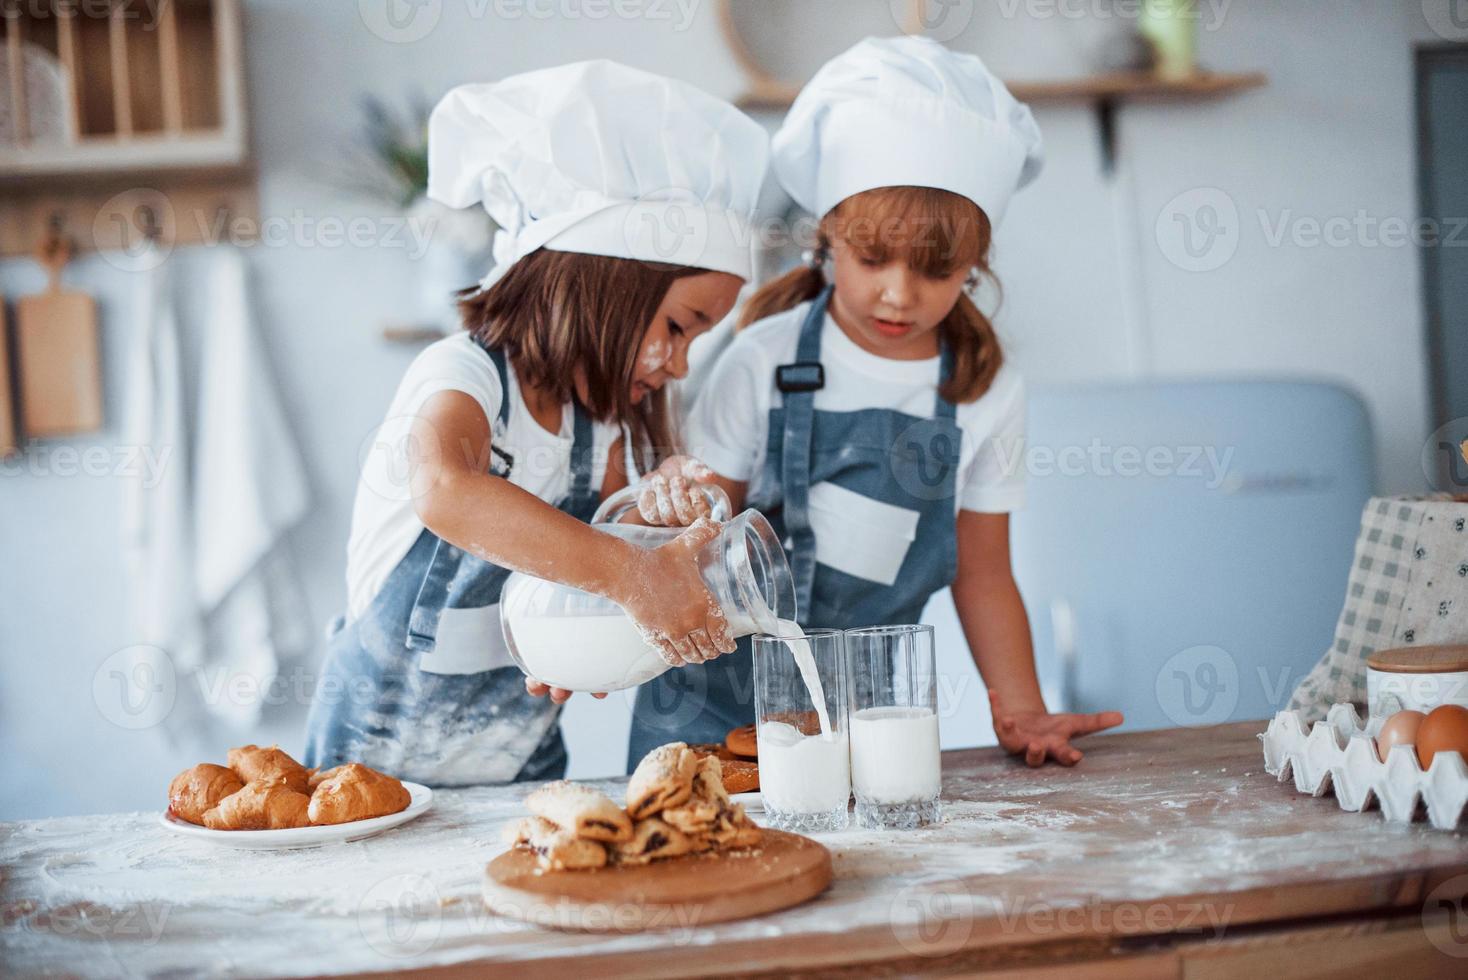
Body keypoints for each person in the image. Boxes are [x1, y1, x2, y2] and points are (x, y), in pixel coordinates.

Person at [629, 37, 1123, 770]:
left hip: (861, 723)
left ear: (975, 268)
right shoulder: (763, 359)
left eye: (936, 270)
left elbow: (984, 572)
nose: (899, 292)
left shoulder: (984, 392)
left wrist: (1020, 709)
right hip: (704, 704)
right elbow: (695, 536)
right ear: (828, 237)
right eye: (872, 260)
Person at [304, 60, 769, 786]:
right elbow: (447, 491)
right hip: (368, 779)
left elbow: (603, 560)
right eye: (679, 326)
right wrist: (629, 574)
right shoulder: (463, 374)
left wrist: (641, 555)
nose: (679, 365)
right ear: (598, 286)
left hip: (522, 767)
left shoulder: (605, 432)